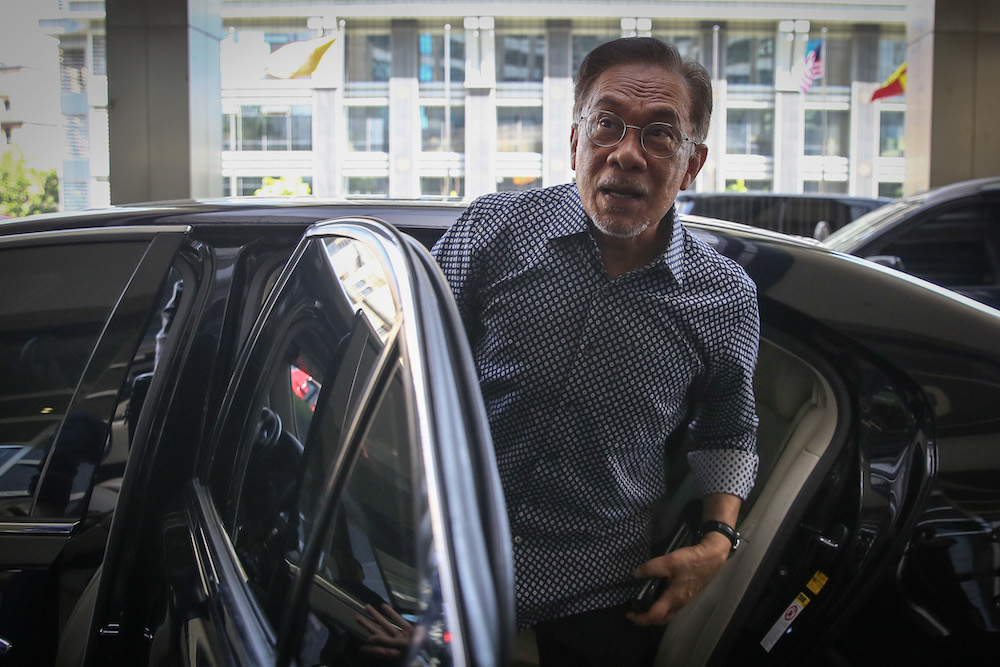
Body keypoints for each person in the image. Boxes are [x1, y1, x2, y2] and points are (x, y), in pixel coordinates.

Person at [432, 37, 759, 667]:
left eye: (661, 135)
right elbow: (408, 375)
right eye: (607, 124)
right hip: (445, 561)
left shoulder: (724, 299)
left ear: (692, 164)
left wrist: (718, 540)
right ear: (576, 140)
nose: (627, 155)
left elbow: (728, 427)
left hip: (598, 595)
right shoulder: (494, 232)